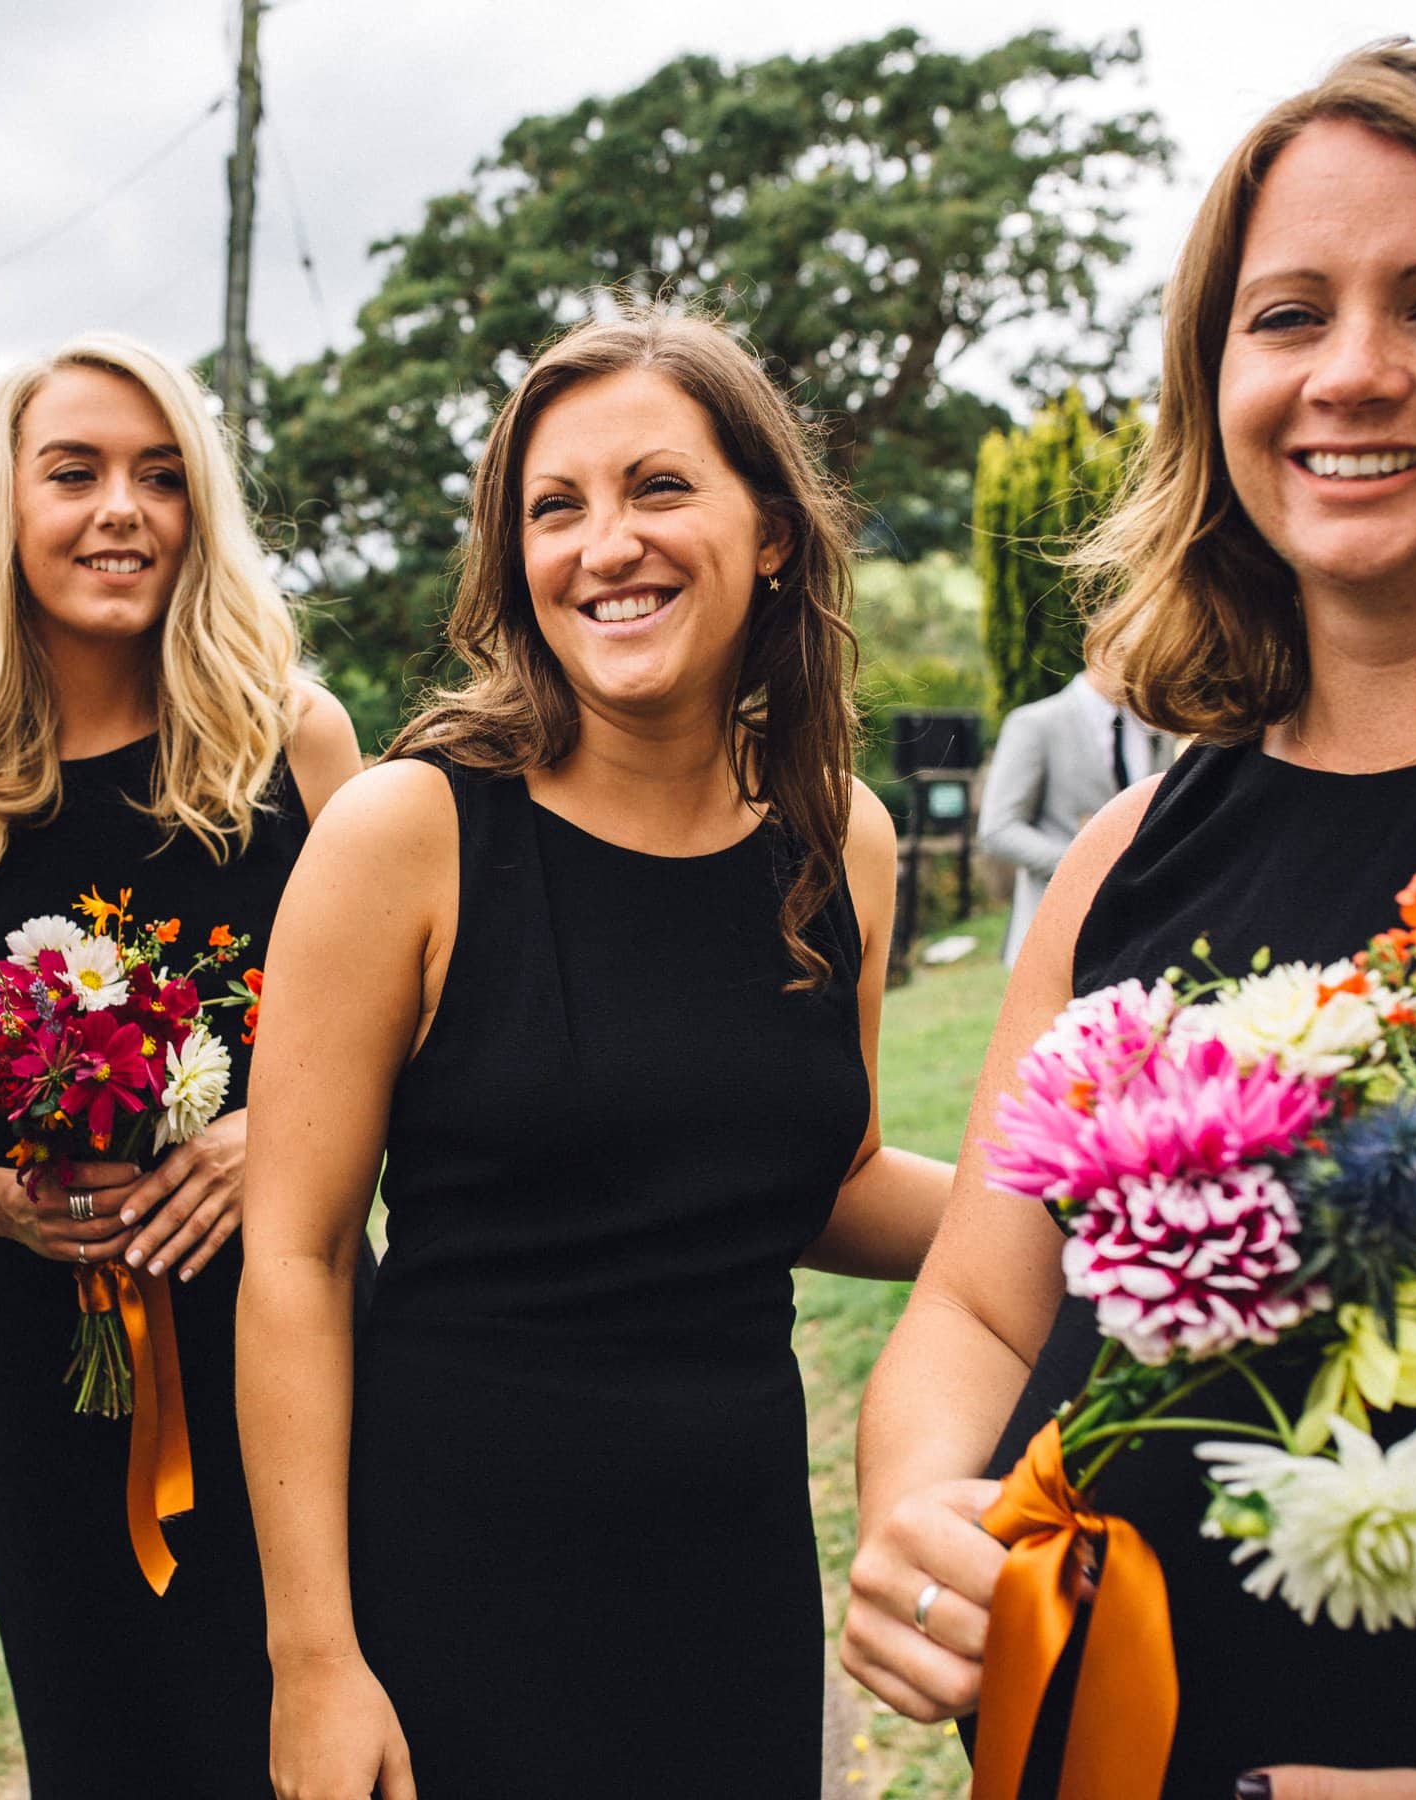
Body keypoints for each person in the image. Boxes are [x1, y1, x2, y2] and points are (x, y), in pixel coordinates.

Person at [842, 44, 1416, 1799]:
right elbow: (981, 1318)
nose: (1353, 374)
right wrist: (917, 1512)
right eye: (1287, 315)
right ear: (1212, 374)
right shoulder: (1121, 857)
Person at [239, 311, 953, 1800]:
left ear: (768, 530)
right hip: (458, 1580)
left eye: (658, 488)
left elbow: (826, 1181)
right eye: (554, 509)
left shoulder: (848, 843)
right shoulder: (409, 831)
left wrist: (1097, 1206)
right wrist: (316, 1663)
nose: (603, 544)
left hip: (736, 1571)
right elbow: (296, 1258)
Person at [0, 331, 363, 1798]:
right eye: (74, 472)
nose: (120, 509)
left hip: (301, 1351)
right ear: (7, 504)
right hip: (52, 1385)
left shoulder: (296, 746)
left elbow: (422, 1061)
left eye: (161, 476)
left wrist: (282, 1138)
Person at [977, 668, 1168, 964]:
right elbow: (998, 829)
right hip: (1056, 935)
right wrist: (1085, 862)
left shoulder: (1157, 729)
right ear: (1100, 646)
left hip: (1138, 938)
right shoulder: (1035, 723)